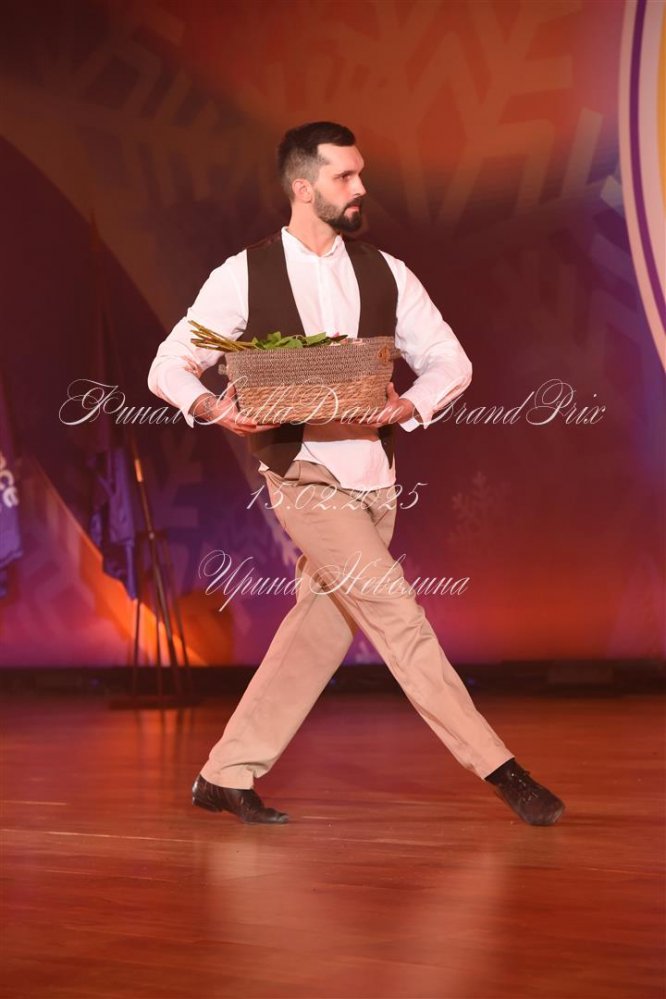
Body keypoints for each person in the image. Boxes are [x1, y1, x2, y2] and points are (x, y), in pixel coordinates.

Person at [148, 121, 565, 828]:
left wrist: (410, 404)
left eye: (360, 173)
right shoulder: (242, 274)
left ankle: (224, 774)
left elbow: (451, 361)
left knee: (319, 632)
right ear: (302, 187)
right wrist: (214, 407)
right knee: (399, 617)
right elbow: (169, 364)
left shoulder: (387, 272)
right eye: (345, 175)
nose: (360, 187)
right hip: (303, 475)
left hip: (375, 479)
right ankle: (502, 769)